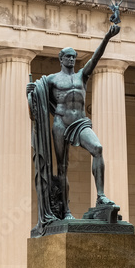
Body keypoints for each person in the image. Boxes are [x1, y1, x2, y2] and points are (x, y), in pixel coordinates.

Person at [27, 16, 121, 233]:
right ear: (61, 59)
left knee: (97, 148)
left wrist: (107, 36)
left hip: (79, 122)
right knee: (63, 169)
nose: (72, 59)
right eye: (68, 57)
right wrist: (30, 94)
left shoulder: (81, 76)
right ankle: (66, 210)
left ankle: (101, 196)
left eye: (74, 57)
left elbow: (96, 59)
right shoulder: (50, 80)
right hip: (60, 123)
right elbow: (36, 108)